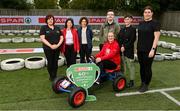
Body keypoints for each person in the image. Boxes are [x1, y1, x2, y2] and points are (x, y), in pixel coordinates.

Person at [137, 6, 161, 92]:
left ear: (152, 13)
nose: (147, 14)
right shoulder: (141, 23)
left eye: (148, 12)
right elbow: (139, 37)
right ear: (143, 14)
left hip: (149, 50)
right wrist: (137, 48)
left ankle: (146, 84)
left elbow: (156, 37)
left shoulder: (155, 23)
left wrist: (153, 49)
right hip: (140, 49)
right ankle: (143, 82)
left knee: (147, 67)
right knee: (141, 67)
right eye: (145, 12)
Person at [40, 14, 64, 81]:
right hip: (48, 49)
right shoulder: (43, 28)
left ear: (53, 20)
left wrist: (58, 45)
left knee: (55, 62)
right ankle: (51, 76)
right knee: (50, 62)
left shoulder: (57, 28)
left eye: (52, 19)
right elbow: (42, 38)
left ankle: (55, 75)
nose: (50, 20)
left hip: (57, 48)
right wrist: (51, 46)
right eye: (49, 19)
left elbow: (61, 37)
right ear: (46, 20)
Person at [118, 15, 136, 88]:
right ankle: (123, 80)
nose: (126, 20)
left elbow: (132, 40)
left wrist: (124, 47)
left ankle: (132, 81)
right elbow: (119, 39)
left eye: (128, 19)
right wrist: (121, 46)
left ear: (131, 20)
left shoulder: (133, 30)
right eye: (125, 19)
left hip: (129, 51)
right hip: (122, 50)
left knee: (130, 66)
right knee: (123, 66)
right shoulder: (122, 29)